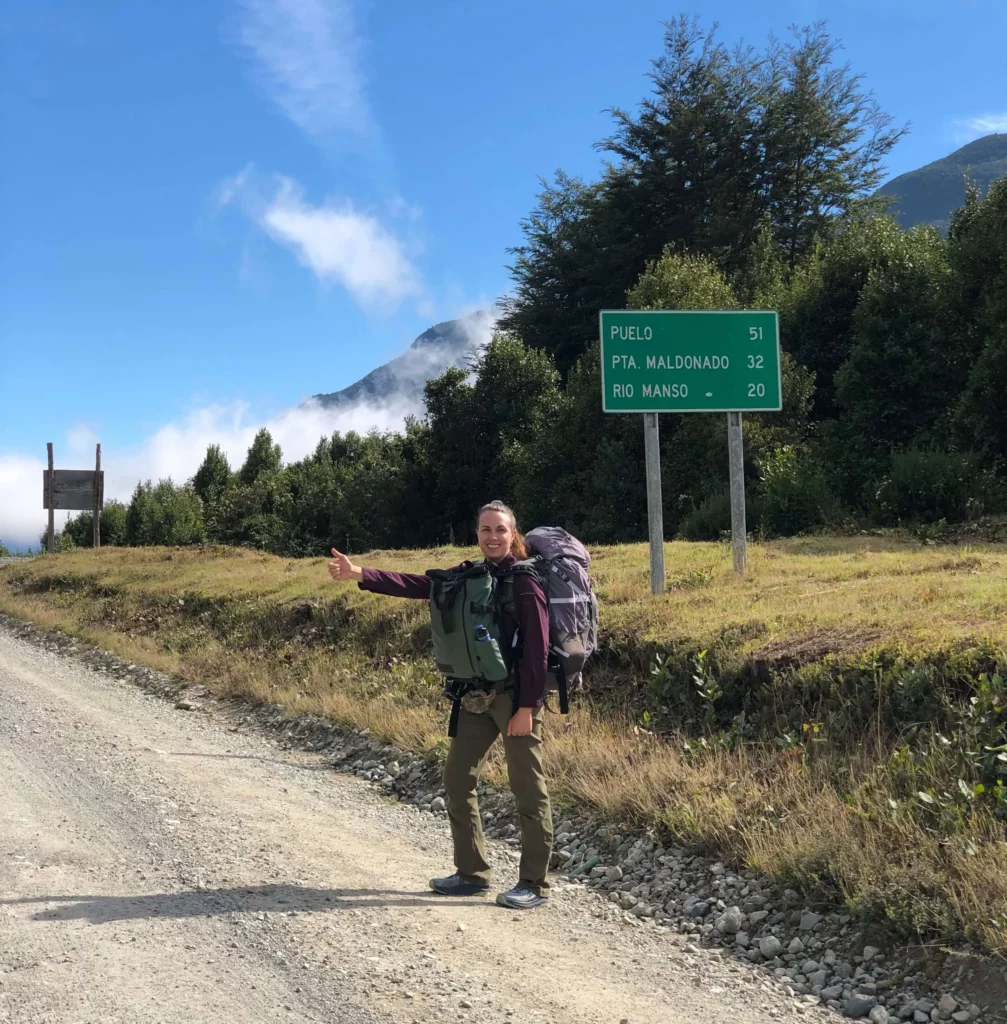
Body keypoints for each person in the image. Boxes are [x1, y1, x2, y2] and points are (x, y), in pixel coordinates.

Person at [328, 500, 553, 910]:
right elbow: (420, 585)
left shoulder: (525, 581)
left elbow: (538, 650)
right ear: (477, 533)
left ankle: (534, 884)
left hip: (515, 697)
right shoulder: (467, 576)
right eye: (485, 529)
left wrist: (527, 707)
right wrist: (360, 573)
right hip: (473, 697)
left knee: (527, 789)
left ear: (512, 534)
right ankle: (472, 874)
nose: (492, 537)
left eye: (500, 530)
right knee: (457, 779)